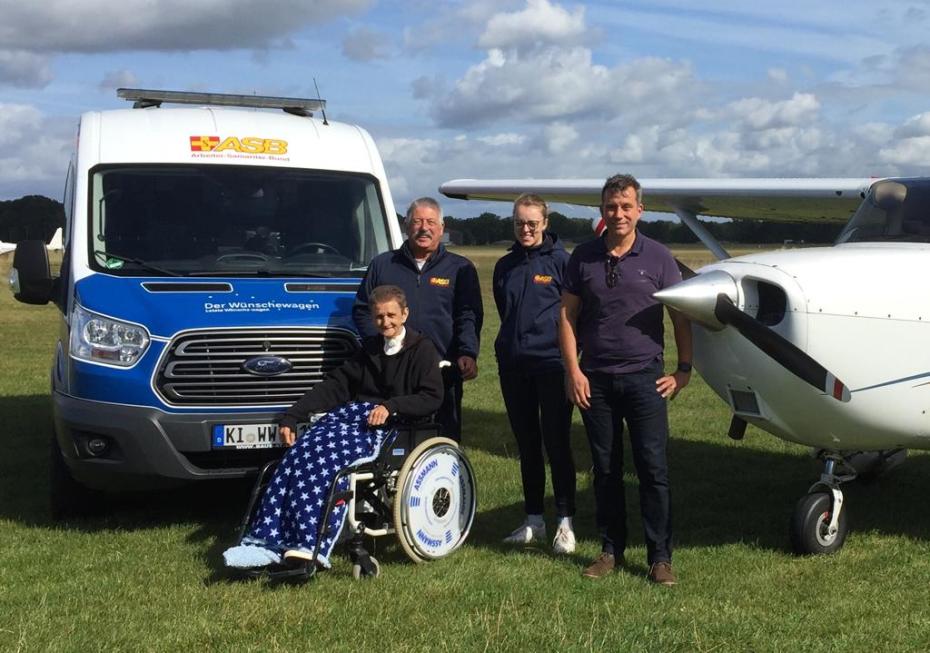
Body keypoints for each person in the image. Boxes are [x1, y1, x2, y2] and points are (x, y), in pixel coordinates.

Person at [223, 285, 443, 570]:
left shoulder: (422, 350)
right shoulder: (369, 350)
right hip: (354, 419)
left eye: (391, 315)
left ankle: (309, 544)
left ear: (405, 314)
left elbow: (431, 397)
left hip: (393, 425)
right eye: (379, 317)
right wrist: (293, 415)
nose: (385, 322)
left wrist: (392, 406)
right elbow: (336, 385)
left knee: (328, 464)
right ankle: (268, 541)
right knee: (297, 455)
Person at [560, 174, 692, 586]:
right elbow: (567, 317)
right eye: (611, 207)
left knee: (653, 470)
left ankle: (659, 557)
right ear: (602, 210)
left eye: (625, 206)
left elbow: (681, 315)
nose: (618, 214)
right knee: (604, 470)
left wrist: (683, 370)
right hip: (596, 380)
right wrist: (574, 371)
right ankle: (609, 550)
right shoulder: (582, 257)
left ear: (640, 210)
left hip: (645, 380)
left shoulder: (659, 257)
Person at [353, 197, 483, 441]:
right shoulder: (383, 264)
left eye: (431, 222)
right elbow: (362, 309)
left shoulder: (459, 268)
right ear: (407, 225)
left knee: (443, 439)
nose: (424, 228)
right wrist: (380, 348)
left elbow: (468, 315)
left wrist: (468, 352)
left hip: (443, 370)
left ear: (442, 228)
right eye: (417, 221)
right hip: (392, 372)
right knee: (393, 441)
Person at [493, 194, 577, 553]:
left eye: (532, 223)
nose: (525, 229)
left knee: (556, 443)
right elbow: (504, 310)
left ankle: (565, 523)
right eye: (518, 223)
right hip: (514, 367)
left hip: (552, 366)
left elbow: (574, 316)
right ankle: (533, 521)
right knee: (527, 446)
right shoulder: (504, 266)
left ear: (545, 223)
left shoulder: (563, 263)